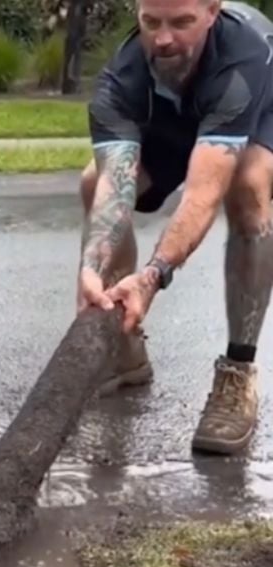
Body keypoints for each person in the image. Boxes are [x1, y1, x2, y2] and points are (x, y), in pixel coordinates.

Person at [80, 0, 273, 454]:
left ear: (212, 12)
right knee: (92, 184)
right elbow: (116, 186)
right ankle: (125, 346)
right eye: (152, 22)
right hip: (172, 121)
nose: (164, 38)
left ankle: (237, 373)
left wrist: (151, 277)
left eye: (182, 22)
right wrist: (92, 265)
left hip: (259, 112)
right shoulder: (121, 77)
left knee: (247, 187)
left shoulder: (240, 59)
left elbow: (204, 192)